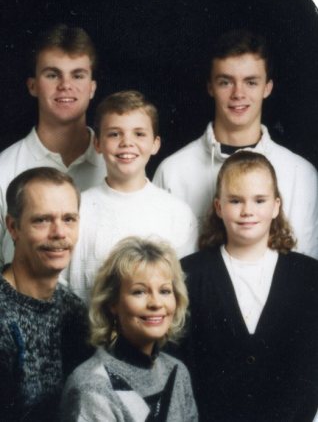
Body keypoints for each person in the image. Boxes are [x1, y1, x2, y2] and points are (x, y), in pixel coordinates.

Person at [178, 151, 318, 421]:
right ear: (218, 207)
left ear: (276, 206)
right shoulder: (189, 274)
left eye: (259, 200)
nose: (247, 211)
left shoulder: (309, 277)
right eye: (235, 200)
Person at [153, 29, 318, 259]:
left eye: (251, 82)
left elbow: (306, 271)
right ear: (210, 87)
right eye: (225, 82)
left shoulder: (301, 176)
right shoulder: (172, 172)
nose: (238, 94)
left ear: (267, 87)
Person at [65, 90, 198, 304]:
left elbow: (183, 289)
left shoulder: (177, 213)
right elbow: (62, 283)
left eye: (139, 134)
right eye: (114, 134)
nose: (127, 142)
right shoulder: (77, 210)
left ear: (155, 144)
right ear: (97, 144)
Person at [0, 23, 106, 268]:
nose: (65, 85)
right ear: (33, 85)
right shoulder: (4, 170)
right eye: (52, 74)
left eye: (77, 75)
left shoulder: (119, 165)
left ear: (92, 88)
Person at [60, 236, 198, 422]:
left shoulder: (177, 372)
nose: (156, 303)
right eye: (139, 291)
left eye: (165, 291)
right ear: (112, 303)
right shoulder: (91, 385)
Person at [0, 167, 92, 422]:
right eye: (42, 220)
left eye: (69, 219)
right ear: (13, 227)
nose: (59, 233)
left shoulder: (74, 310)